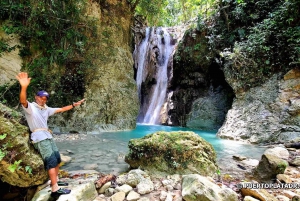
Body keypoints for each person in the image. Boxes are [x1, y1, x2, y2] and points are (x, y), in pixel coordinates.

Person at [16, 72, 85, 198]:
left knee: (57, 159)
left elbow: (61, 109)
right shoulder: (31, 108)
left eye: (45, 98)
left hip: (48, 136)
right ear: (36, 97)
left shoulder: (46, 109)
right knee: (51, 162)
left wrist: (74, 105)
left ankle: (56, 181)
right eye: (41, 97)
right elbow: (22, 101)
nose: (43, 99)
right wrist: (24, 86)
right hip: (40, 139)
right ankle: (54, 189)